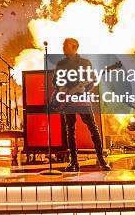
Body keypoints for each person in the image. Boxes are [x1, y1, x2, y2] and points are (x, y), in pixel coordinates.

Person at [52, 38, 110, 172]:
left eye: (66, 45)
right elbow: (55, 81)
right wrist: (62, 88)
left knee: (92, 128)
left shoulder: (85, 63)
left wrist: (85, 88)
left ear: (75, 47)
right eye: (63, 45)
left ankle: (101, 159)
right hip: (67, 101)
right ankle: (74, 161)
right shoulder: (61, 64)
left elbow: (93, 80)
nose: (63, 47)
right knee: (70, 130)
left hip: (82, 99)